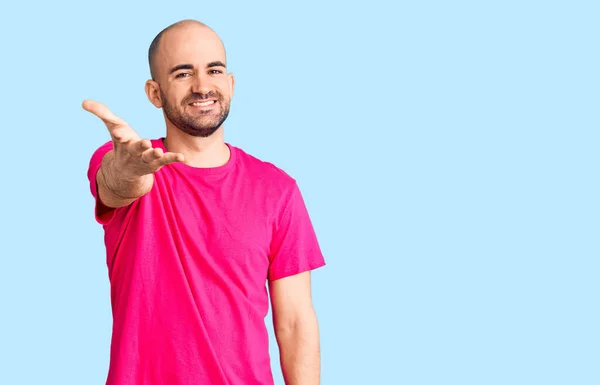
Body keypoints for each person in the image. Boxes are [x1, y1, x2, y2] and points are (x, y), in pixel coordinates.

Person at [83, 19, 325, 385]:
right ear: (154, 92)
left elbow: (294, 322)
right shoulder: (128, 158)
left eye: (214, 70)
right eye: (182, 73)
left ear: (230, 83)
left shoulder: (278, 189)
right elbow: (116, 185)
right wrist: (129, 169)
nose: (202, 86)